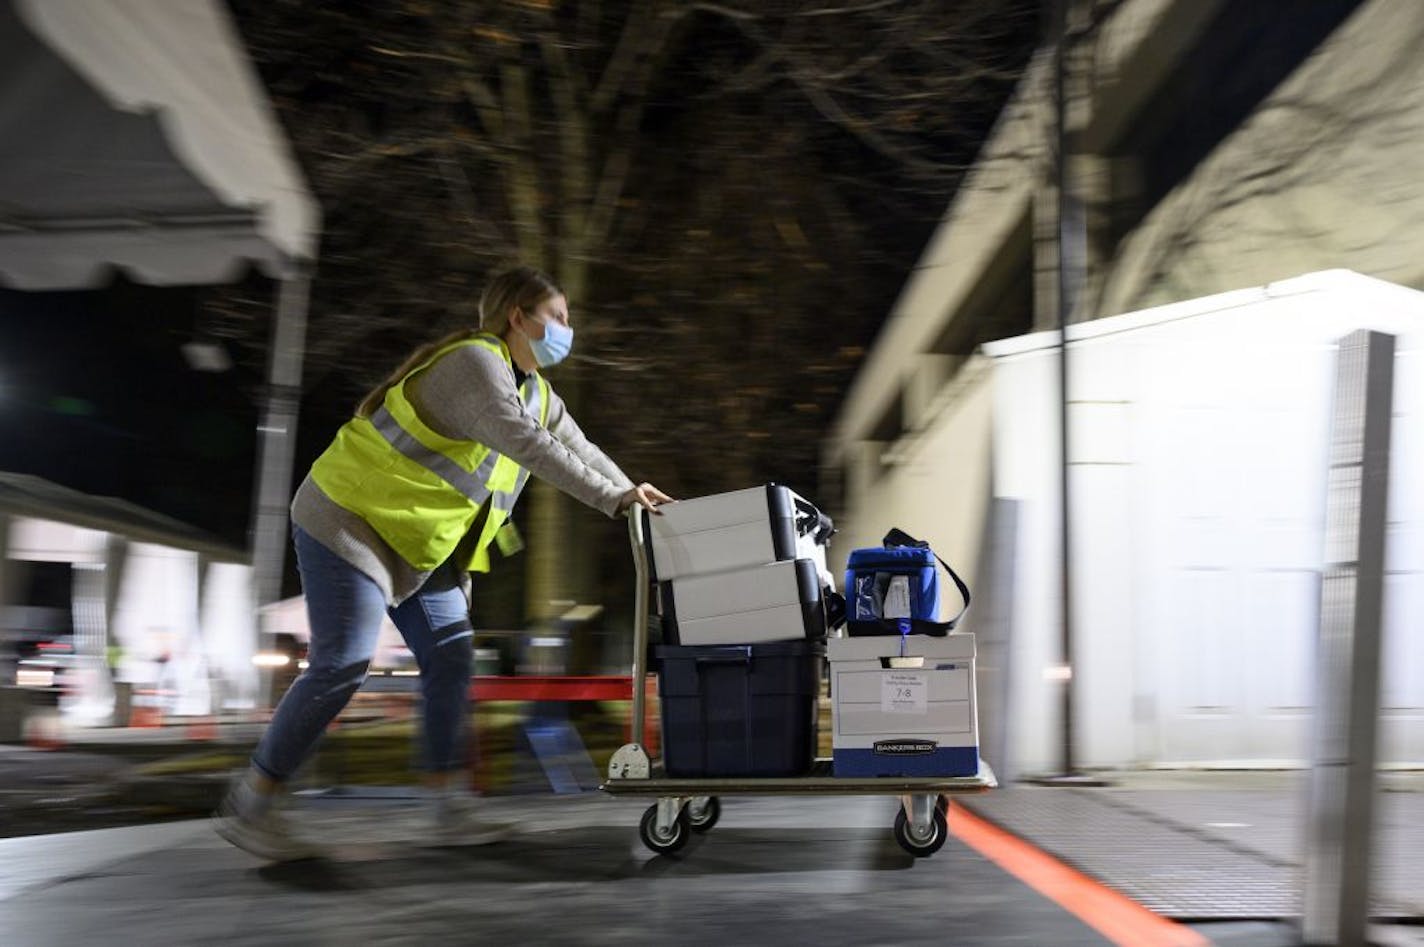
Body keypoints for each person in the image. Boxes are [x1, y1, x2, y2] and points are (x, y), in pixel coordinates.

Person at [215, 264, 672, 859]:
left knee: (452, 659)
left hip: (414, 544)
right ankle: (253, 800)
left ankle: (447, 807)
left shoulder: (536, 392)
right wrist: (614, 501)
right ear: (518, 317)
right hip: (348, 518)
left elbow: (577, 446)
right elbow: (533, 448)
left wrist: (635, 492)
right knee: (343, 660)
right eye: (557, 317)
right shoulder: (474, 366)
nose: (567, 330)